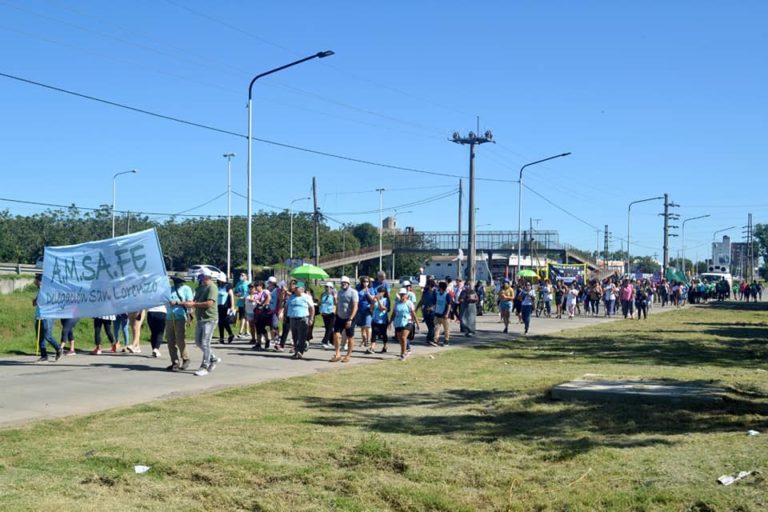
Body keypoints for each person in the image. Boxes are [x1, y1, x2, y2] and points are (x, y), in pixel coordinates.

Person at [184, 268, 221, 376]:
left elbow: (209, 303)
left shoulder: (212, 287)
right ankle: (213, 358)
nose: (198, 278)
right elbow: (194, 301)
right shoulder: (200, 287)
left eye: (200, 276)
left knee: (205, 342)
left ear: (206, 276)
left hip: (210, 318)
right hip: (200, 318)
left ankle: (205, 366)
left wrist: (194, 305)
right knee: (198, 342)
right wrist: (189, 304)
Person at [32, 274, 62, 363]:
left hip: (47, 316)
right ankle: (44, 356)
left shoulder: (48, 290)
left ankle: (58, 348)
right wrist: (36, 300)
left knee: (47, 335)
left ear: (40, 281)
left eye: (36, 280)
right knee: (40, 337)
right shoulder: (39, 290)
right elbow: (34, 303)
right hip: (39, 316)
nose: (34, 282)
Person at [166, 275, 193, 371]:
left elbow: (190, 302)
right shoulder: (170, 289)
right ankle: (175, 361)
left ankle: (185, 358)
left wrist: (177, 303)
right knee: (170, 340)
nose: (175, 282)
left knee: (179, 339)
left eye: (177, 280)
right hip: (169, 316)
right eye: (174, 280)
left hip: (180, 316)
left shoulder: (186, 289)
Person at [330, 276, 358, 363]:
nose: (343, 284)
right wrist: (335, 313)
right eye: (342, 283)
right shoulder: (339, 292)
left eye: (345, 283)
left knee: (350, 337)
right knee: (336, 334)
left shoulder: (353, 292)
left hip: (349, 317)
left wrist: (350, 319)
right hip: (339, 317)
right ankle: (337, 354)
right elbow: (338, 304)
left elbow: (355, 306)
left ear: (348, 283)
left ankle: (348, 355)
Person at [286, 281, 315, 359]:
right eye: (295, 288)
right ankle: (296, 351)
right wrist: (285, 316)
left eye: (297, 288)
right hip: (292, 318)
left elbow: (312, 308)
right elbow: (287, 306)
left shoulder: (307, 297)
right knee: (294, 336)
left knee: (301, 336)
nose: (295, 289)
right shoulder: (292, 296)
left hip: (303, 318)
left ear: (302, 289)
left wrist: (311, 318)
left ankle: (300, 351)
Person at [389, 288, 419, 361]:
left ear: (406, 295)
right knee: (400, 339)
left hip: (407, 322)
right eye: (401, 294)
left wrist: (417, 323)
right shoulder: (396, 303)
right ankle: (404, 350)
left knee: (403, 337)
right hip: (398, 322)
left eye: (403, 294)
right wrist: (390, 322)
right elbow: (393, 313)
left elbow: (413, 313)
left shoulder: (409, 303)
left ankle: (403, 354)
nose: (402, 296)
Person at [356, 276, 375, 348]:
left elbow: (373, 299)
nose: (365, 283)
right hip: (360, 309)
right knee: (362, 327)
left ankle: (368, 340)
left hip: (368, 309)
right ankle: (364, 340)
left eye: (367, 281)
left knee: (368, 325)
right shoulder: (358, 288)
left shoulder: (371, 289)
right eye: (364, 281)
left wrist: (368, 293)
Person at [416, 279, 437, 344]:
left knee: (432, 326)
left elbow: (437, 302)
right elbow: (421, 301)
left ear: (430, 285)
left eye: (427, 284)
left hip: (432, 312)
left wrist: (431, 308)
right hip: (425, 311)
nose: (426, 285)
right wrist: (416, 308)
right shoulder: (425, 292)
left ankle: (430, 338)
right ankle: (430, 338)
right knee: (429, 326)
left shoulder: (434, 293)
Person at [371, 285, 389, 353]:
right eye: (378, 292)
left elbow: (382, 309)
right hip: (375, 319)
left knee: (383, 334)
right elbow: (371, 309)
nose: (379, 293)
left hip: (383, 320)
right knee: (373, 334)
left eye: (381, 292)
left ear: (384, 293)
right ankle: (372, 347)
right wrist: (373, 302)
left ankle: (385, 346)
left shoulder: (386, 300)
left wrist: (378, 300)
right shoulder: (375, 299)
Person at [216, 279, 235, 344]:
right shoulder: (218, 287)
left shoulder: (227, 286)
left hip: (226, 307)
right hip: (219, 306)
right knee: (220, 322)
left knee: (224, 322)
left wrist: (232, 306)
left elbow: (231, 295)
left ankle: (230, 334)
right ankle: (222, 338)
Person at [319, 282, 336, 350]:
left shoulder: (334, 295)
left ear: (332, 288)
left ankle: (325, 341)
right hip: (324, 312)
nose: (327, 288)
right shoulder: (323, 294)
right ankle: (331, 340)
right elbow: (320, 302)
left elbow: (336, 303)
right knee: (327, 328)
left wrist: (335, 297)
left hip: (331, 313)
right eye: (326, 287)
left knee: (329, 328)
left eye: (329, 287)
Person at [434, 281, 452, 346]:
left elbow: (449, 305)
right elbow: (436, 303)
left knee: (446, 329)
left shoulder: (447, 295)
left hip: (444, 315)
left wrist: (447, 313)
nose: (438, 287)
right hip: (437, 313)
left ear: (441, 287)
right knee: (436, 328)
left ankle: (446, 340)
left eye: (439, 286)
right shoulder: (437, 294)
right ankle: (436, 340)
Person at [233, 272, 250, 338]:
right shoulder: (238, 283)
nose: (241, 276)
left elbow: (251, 292)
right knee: (243, 317)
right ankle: (246, 332)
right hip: (240, 303)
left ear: (246, 276)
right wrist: (237, 294)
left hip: (247, 302)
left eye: (243, 275)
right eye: (241, 275)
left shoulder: (248, 283)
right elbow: (235, 292)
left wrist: (246, 297)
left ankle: (242, 331)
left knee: (245, 317)